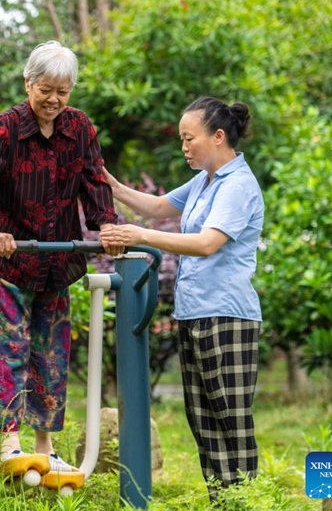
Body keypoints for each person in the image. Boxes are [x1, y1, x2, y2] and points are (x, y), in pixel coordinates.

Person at [0, 40, 123, 473]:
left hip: (57, 261)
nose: (53, 100)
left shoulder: (80, 128)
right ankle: (10, 444)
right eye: (45, 90)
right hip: (11, 261)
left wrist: (105, 223)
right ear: (28, 83)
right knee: (8, 348)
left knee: (51, 354)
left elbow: (94, 179)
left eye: (63, 91)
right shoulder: (7, 127)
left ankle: (45, 445)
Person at [99, 97, 264, 499]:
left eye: (189, 138)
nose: (184, 147)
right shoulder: (205, 180)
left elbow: (208, 244)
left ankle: (247, 502)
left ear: (219, 136)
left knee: (230, 420)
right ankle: (223, 503)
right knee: (203, 420)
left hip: (228, 317)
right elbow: (157, 206)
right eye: (182, 139)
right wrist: (109, 184)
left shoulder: (238, 184)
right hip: (196, 314)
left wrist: (138, 236)